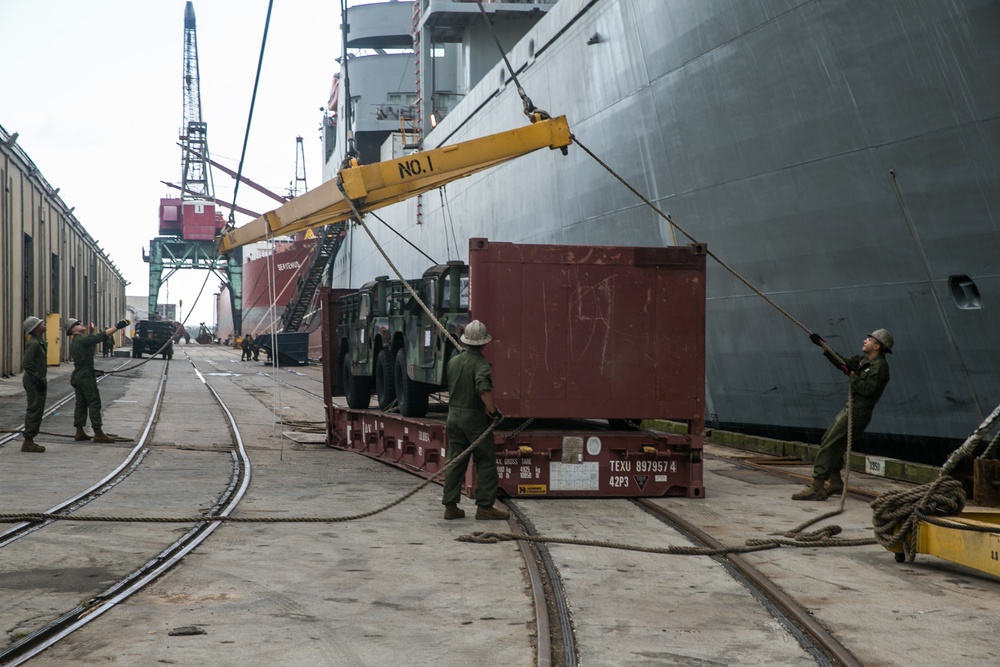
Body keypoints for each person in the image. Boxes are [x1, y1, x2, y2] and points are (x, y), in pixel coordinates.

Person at [792, 329, 893, 501]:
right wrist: (823, 346)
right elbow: (843, 363)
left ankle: (817, 487)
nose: (864, 341)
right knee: (828, 440)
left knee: (830, 445)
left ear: (877, 346)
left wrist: (853, 376)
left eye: (869, 339)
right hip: (851, 409)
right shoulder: (864, 361)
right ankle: (836, 481)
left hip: (858, 413)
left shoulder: (879, 367)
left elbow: (867, 390)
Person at [441, 320, 509, 521]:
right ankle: (485, 507)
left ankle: (450, 506)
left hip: (453, 417)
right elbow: (483, 389)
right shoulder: (480, 364)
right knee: (486, 460)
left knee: (454, 460)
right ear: (484, 343)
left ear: (465, 341)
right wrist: (495, 412)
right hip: (473, 419)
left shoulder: (453, 361)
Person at [67, 317, 129, 444]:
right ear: (73, 329)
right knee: (94, 402)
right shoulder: (82, 340)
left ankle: (79, 431)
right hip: (85, 377)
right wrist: (117, 327)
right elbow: (99, 337)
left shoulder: (75, 342)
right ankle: (98, 433)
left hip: (79, 375)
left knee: (81, 404)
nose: (81, 324)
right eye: (78, 324)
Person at [21, 316, 48, 453]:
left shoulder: (39, 342)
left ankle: (30, 439)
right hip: (34, 381)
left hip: (37, 380)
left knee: (37, 409)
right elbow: (26, 364)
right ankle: (28, 441)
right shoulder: (34, 344)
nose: (44, 324)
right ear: (36, 329)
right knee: (34, 409)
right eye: (41, 323)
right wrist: (37, 379)